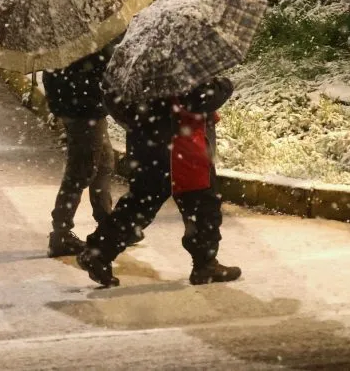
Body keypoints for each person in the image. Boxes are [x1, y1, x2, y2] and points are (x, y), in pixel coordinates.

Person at [77, 76, 241, 286]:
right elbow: (198, 99)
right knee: (202, 204)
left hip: (145, 142)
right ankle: (205, 264)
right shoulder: (176, 61)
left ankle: (98, 253)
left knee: (141, 202)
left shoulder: (137, 67)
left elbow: (115, 103)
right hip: (181, 145)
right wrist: (224, 86)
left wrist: (142, 121)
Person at [42, 45, 116, 257]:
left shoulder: (61, 38)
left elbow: (52, 75)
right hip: (84, 110)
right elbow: (101, 74)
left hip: (79, 107)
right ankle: (61, 233)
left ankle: (107, 223)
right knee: (81, 170)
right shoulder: (89, 43)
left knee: (103, 163)